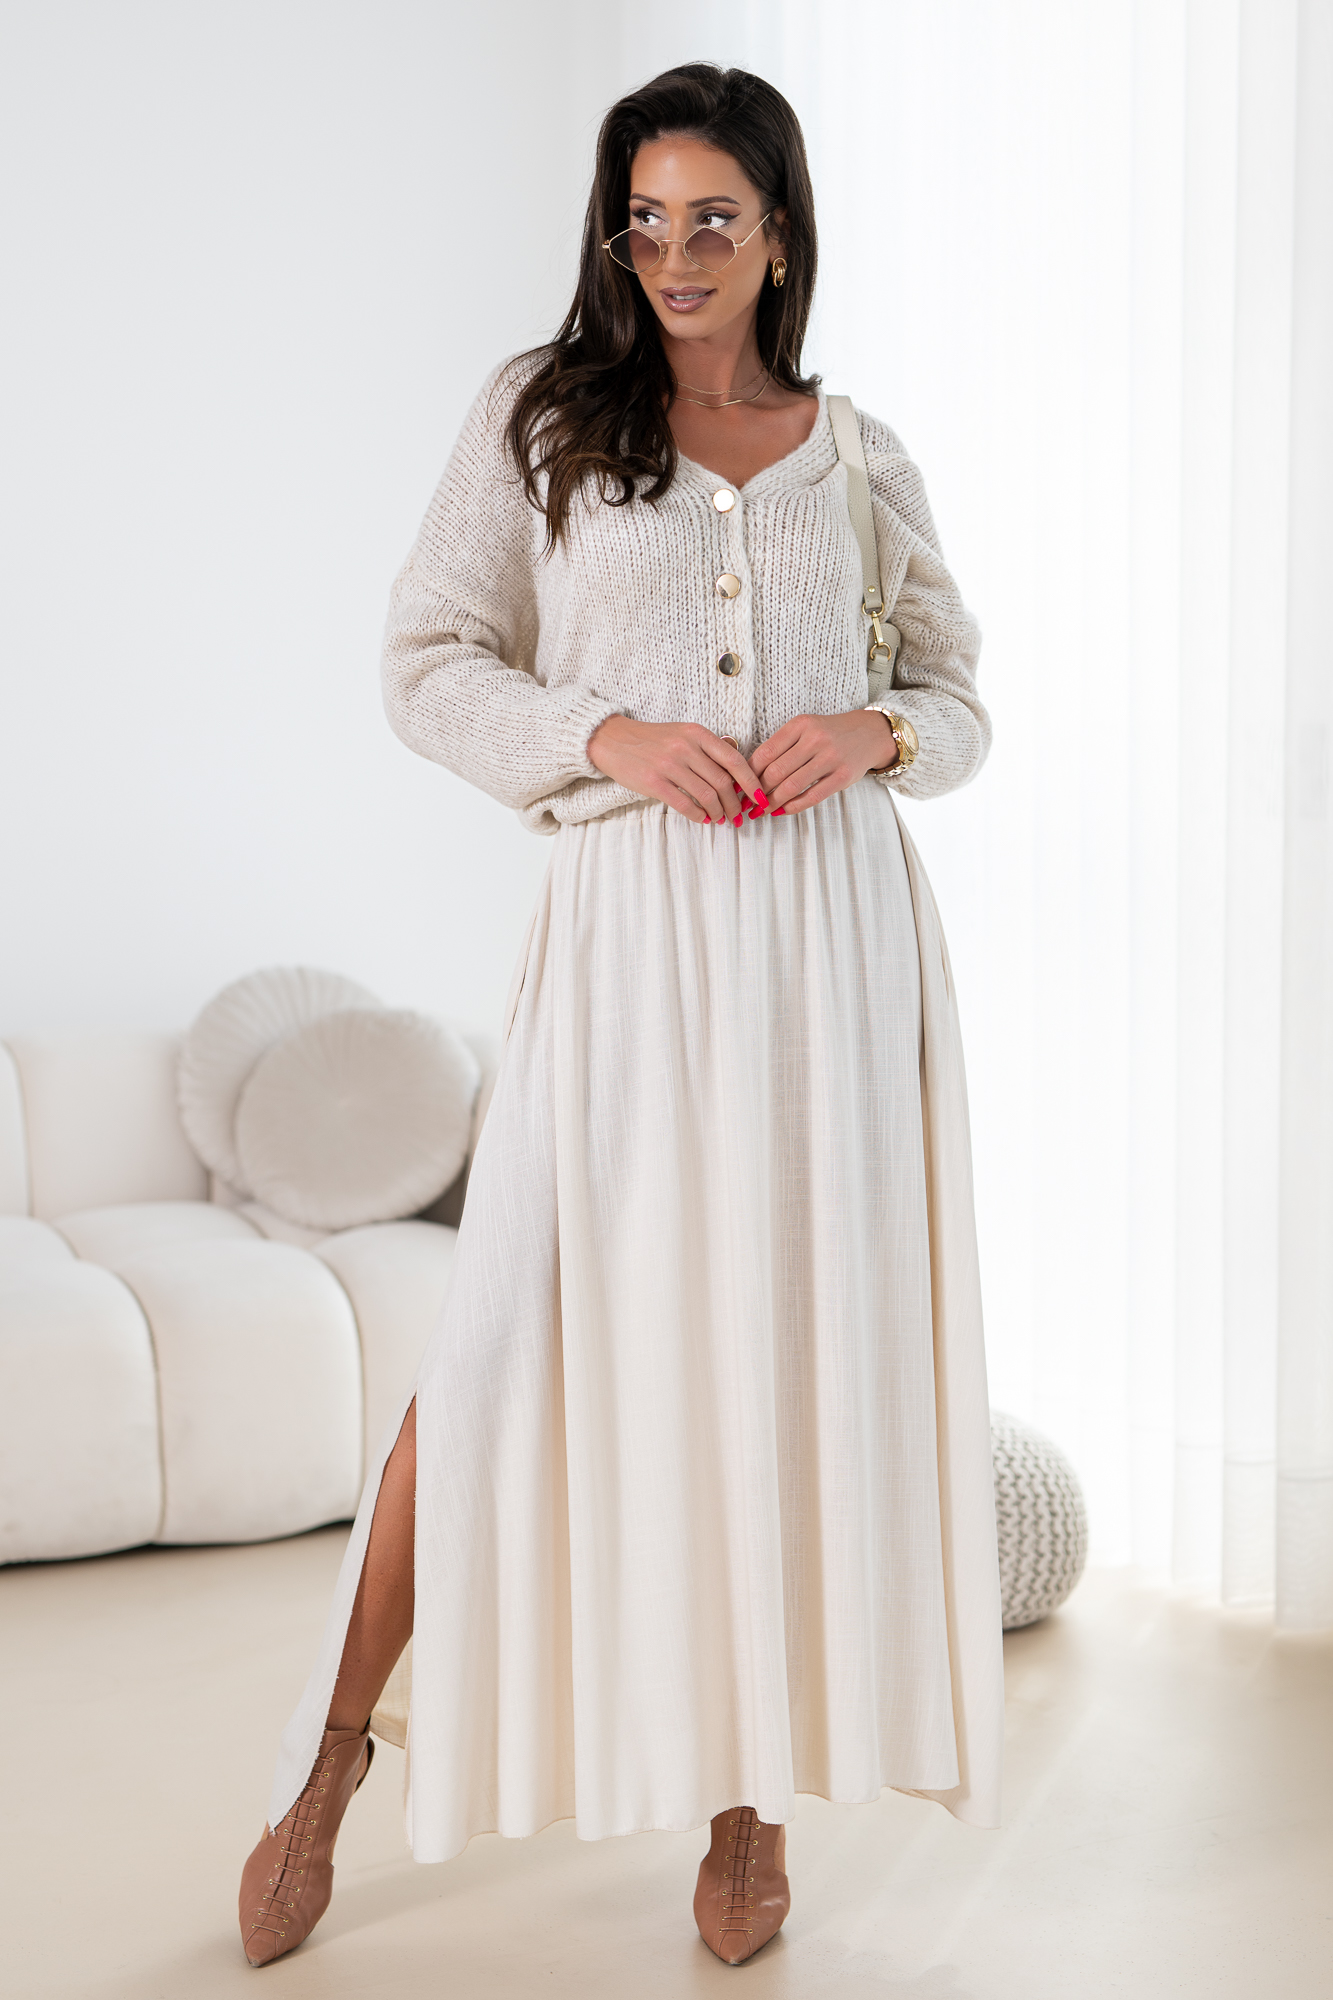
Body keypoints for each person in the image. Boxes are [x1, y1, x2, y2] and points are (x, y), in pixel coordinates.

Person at [239, 60, 1002, 1971]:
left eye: (710, 219)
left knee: (774, 1364)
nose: (672, 254)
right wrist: (606, 735)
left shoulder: (854, 454)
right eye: (643, 219)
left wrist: (876, 730)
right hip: (627, 945)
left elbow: (959, 700)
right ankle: (329, 1763)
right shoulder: (543, 420)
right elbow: (425, 661)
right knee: (501, 1347)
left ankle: (746, 1816)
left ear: (777, 236)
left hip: (828, 957)